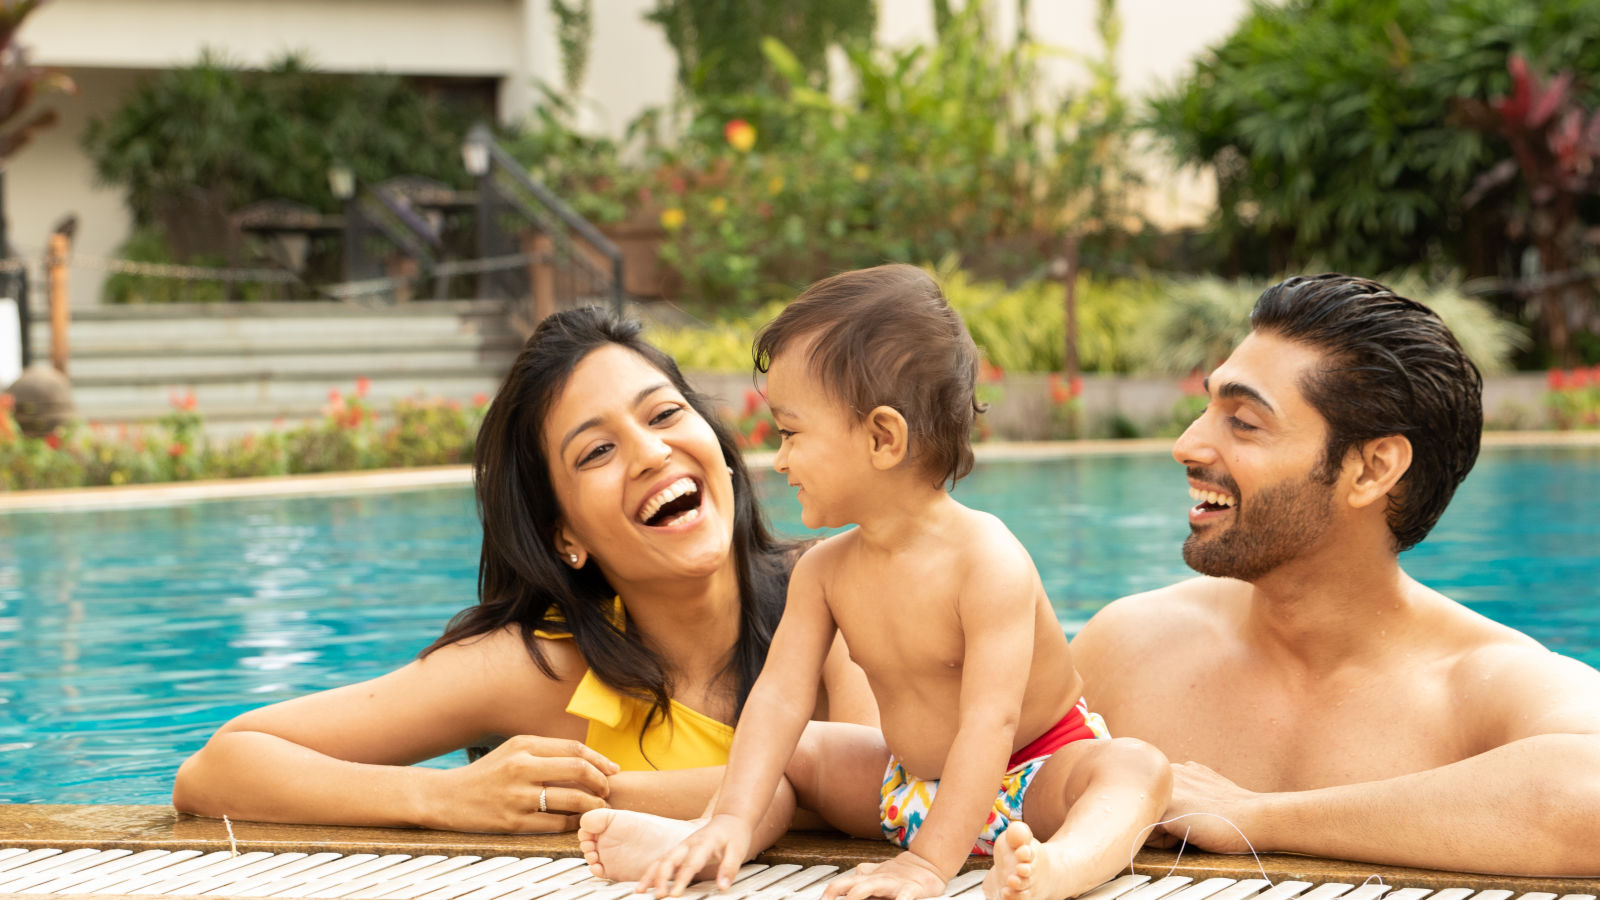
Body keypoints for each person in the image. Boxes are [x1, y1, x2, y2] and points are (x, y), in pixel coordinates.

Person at [580, 265, 1171, 900]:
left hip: (1032, 779)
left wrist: (927, 865)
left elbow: (990, 725)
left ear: (882, 438)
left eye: (790, 432)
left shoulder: (987, 560)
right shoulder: (825, 572)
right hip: (902, 788)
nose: (777, 459)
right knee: (799, 749)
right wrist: (732, 812)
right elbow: (779, 701)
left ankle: (1062, 866)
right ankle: (708, 839)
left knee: (1136, 768)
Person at [172, 308, 877, 832]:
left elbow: (889, 794)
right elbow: (216, 769)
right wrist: (445, 798)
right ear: (564, 534)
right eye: (595, 452)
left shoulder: (836, 589)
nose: (651, 453)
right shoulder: (540, 666)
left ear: (719, 449)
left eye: (664, 414)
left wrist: (597, 800)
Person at [1072, 273, 1600, 876]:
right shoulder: (1131, 646)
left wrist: (1259, 817)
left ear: (1373, 469)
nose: (1188, 444)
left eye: (1243, 422)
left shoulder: (1478, 685)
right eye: (1207, 406)